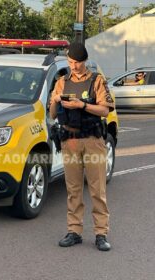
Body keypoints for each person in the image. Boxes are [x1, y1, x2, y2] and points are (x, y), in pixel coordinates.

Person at [49, 42, 115, 251]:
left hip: (93, 140)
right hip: (70, 140)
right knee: (73, 190)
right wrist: (56, 100)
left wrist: (82, 105)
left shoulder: (96, 80)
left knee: (97, 190)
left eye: (77, 62)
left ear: (84, 61)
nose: (74, 66)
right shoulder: (61, 82)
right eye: (70, 62)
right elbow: (52, 115)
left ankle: (101, 234)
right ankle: (74, 231)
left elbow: (105, 110)